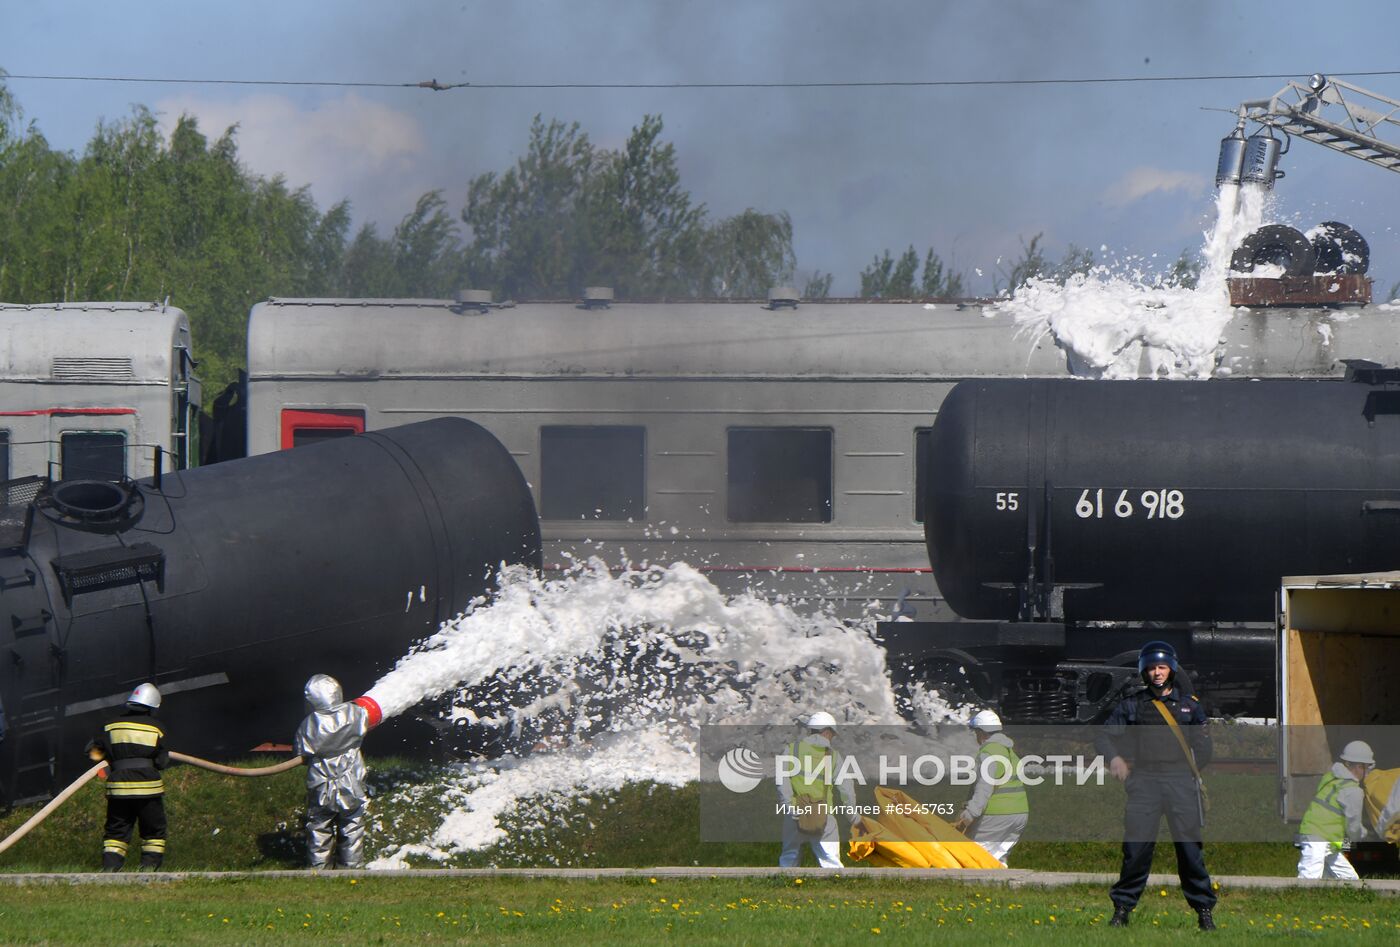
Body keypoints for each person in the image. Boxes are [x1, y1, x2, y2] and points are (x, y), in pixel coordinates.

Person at [1096, 641, 1216, 931]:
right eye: (1151, 668)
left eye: (1162, 667)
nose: (1157, 673)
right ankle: (1122, 909)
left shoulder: (1190, 707)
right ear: (1143, 671)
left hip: (1180, 785)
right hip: (1145, 784)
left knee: (1189, 851)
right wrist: (1114, 760)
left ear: (1171, 670)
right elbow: (1103, 737)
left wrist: (1188, 775)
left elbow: (1205, 748)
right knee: (1136, 850)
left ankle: (1204, 911)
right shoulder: (1132, 705)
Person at [294, 674, 378, 869]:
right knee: (352, 826)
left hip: (321, 786)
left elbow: (301, 753)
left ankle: (318, 869)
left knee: (319, 827)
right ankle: (351, 869)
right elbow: (368, 720)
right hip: (351, 785)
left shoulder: (307, 725)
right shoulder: (355, 714)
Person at [86, 683, 169, 872]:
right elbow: (162, 761)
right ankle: (149, 870)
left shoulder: (109, 726)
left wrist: (111, 758)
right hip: (149, 790)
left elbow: (93, 754)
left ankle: (110, 870)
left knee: (116, 832)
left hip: (118, 790)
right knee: (153, 832)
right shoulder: (157, 728)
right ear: (152, 707)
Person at [777, 711, 861, 868]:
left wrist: (789, 806)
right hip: (823, 816)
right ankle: (835, 888)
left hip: (795, 813)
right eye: (832, 735)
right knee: (831, 861)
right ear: (827, 732)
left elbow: (781, 782)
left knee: (789, 856)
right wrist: (853, 818)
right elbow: (846, 790)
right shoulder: (833, 756)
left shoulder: (791, 750)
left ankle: (784, 887)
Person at [953, 709, 1028, 864]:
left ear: (981, 732)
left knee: (976, 858)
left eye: (976, 733)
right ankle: (1004, 886)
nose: (976, 737)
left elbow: (984, 788)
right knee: (998, 859)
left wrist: (969, 815)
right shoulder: (1008, 750)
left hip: (997, 816)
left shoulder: (989, 752)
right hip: (1019, 815)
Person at [1296, 740, 1375, 880]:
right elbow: (1353, 826)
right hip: (1318, 838)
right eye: (1367, 767)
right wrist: (1362, 835)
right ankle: (1298, 899)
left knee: (1350, 880)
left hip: (1325, 838)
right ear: (1358, 767)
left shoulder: (1330, 777)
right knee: (1309, 877)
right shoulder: (1353, 791)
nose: (1367, 772)